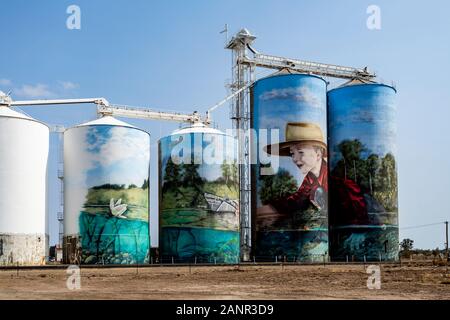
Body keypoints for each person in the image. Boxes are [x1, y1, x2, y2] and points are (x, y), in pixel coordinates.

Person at [257, 122, 328, 229]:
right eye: (292, 153)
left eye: (300, 152)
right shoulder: (310, 181)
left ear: (318, 154)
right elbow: (292, 203)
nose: (294, 159)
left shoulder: (336, 181)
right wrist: (254, 212)